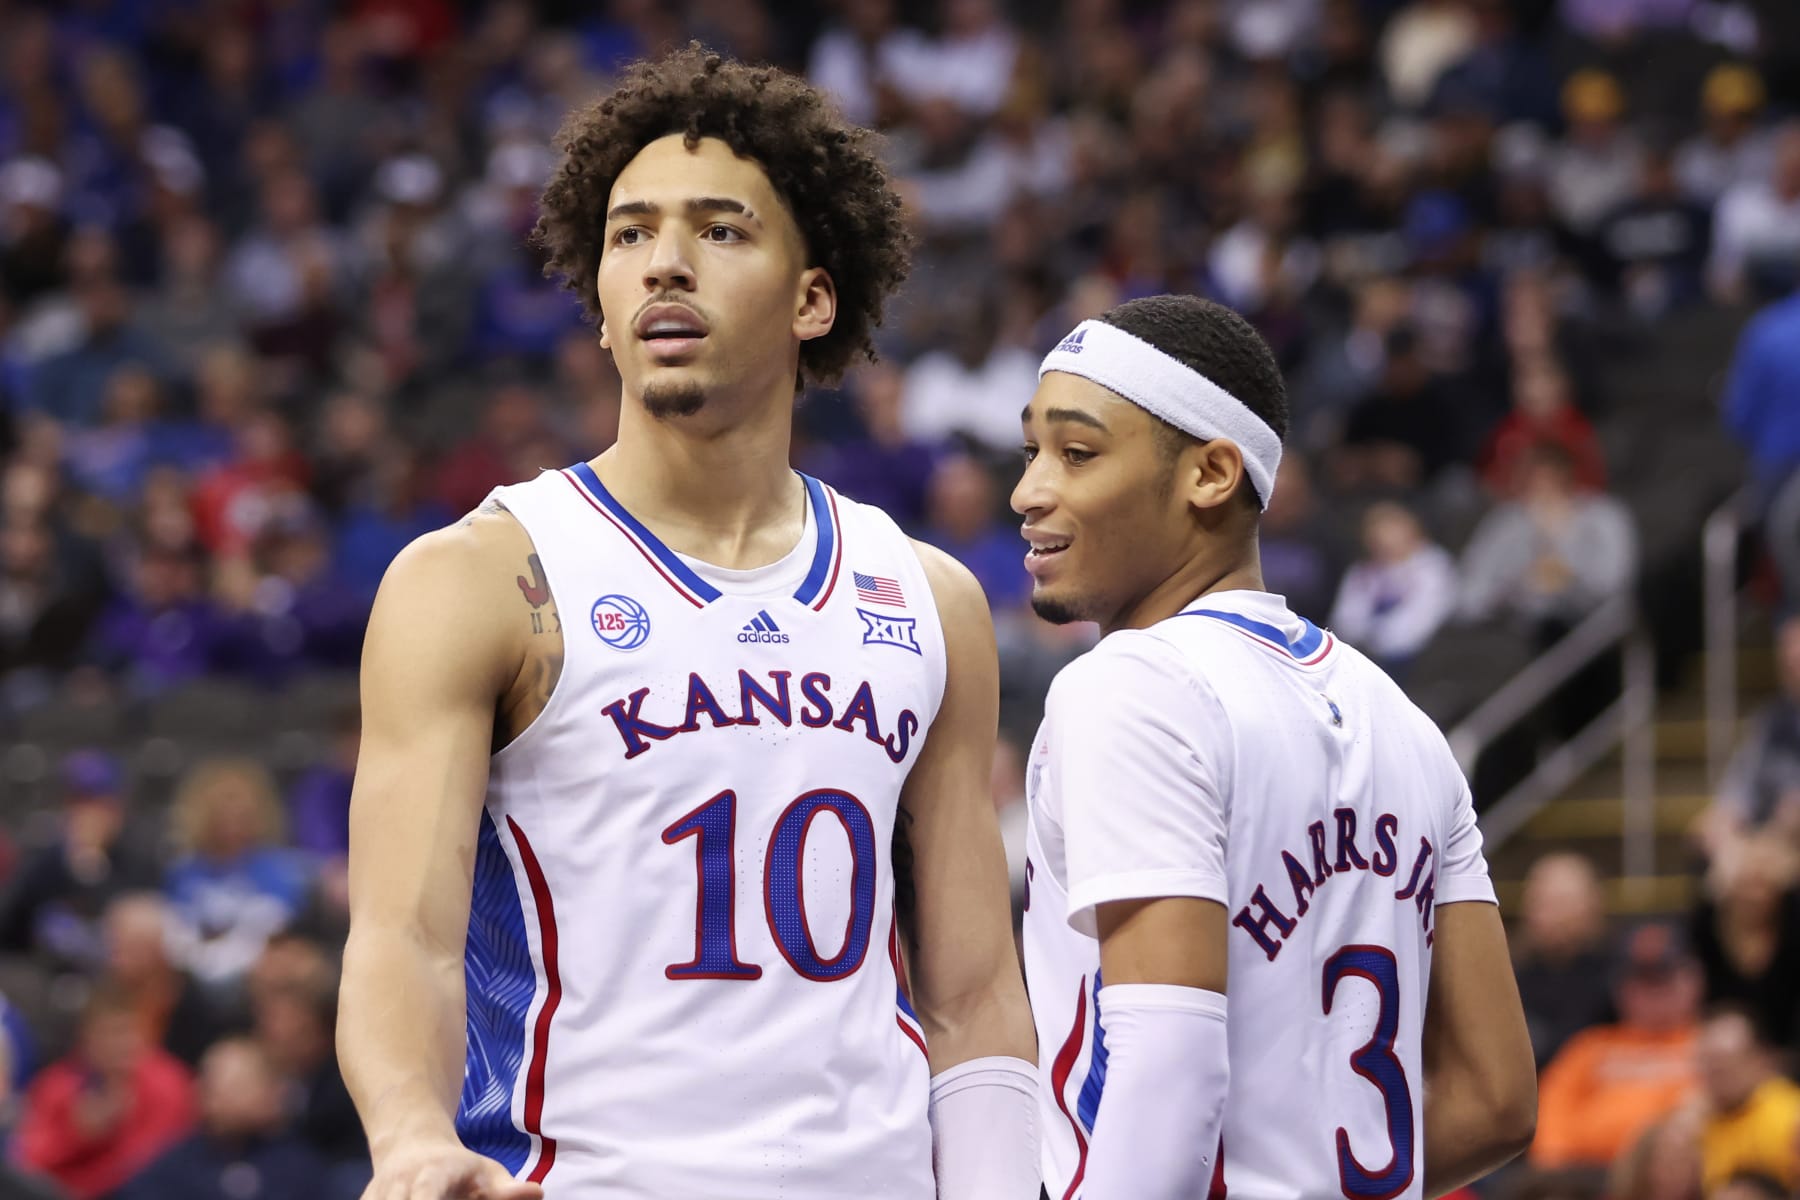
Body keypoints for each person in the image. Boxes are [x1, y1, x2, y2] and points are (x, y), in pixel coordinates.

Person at [337, 45, 1037, 1200]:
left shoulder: (927, 597)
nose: (664, 263)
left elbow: (971, 995)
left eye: (720, 231)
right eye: (629, 234)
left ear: (814, 298)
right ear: (601, 309)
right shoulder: (480, 577)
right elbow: (402, 937)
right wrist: (412, 1133)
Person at [1012, 294, 1536, 1199]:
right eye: (1032, 452)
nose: (1029, 491)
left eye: (1078, 453)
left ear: (1213, 474)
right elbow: (1496, 1101)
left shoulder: (1131, 685)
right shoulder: (1405, 722)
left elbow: (1169, 1073)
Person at [1531, 923, 1702, 1171]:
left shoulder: (1711, 1046)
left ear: (1693, 981)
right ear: (1620, 988)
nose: (1651, 992)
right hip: (1584, 1179)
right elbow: (1550, 1109)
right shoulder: (1591, 1047)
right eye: (1641, 979)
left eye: (1663, 978)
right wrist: (1558, 1172)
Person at [117, 1037, 333, 1200]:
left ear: (273, 1091)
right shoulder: (173, 1165)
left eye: (236, 1085)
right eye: (212, 1084)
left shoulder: (300, 1167)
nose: (218, 1096)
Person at [1693, 1007, 1800, 1192]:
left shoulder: (1791, 1116)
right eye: (1709, 1060)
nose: (1717, 1070)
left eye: (1727, 1060)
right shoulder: (1692, 1123)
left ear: (1760, 1058)